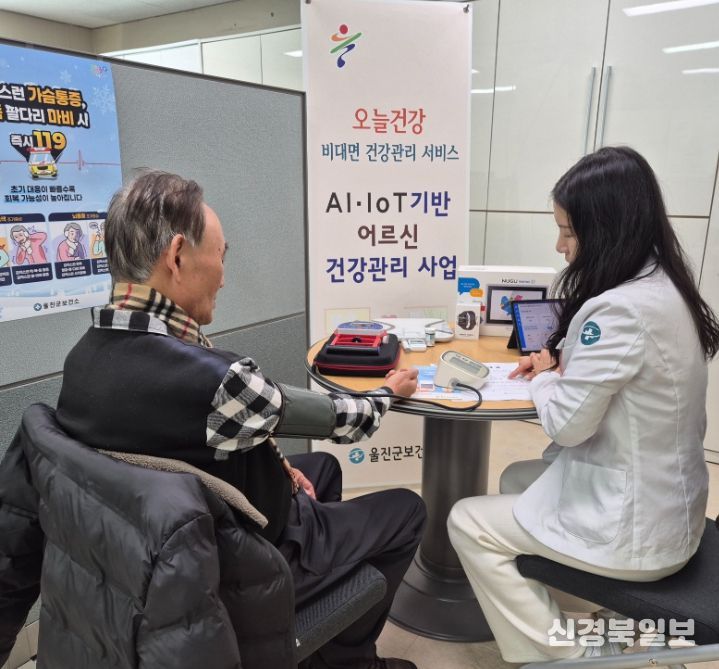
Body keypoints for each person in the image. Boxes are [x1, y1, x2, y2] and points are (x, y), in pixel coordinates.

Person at [55, 170, 426, 669]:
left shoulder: (82, 360)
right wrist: (389, 391)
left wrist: (277, 467)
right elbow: (341, 419)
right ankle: (351, 660)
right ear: (178, 256)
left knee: (322, 470)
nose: (225, 277)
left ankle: (322, 626)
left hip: (161, 554)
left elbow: (179, 442)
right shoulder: (214, 380)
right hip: (243, 564)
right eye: (221, 255)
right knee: (407, 509)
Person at [447, 146, 719, 662]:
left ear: (608, 229)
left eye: (569, 232)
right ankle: (587, 614)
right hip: (672, 506)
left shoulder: (620, 309)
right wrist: (562, 368)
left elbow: (567, 426)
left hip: (641, 531)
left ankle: (568, 656)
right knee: (518, 479)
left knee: (467, 521)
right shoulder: (664, 286)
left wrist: (546, 378)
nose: (560, 246)